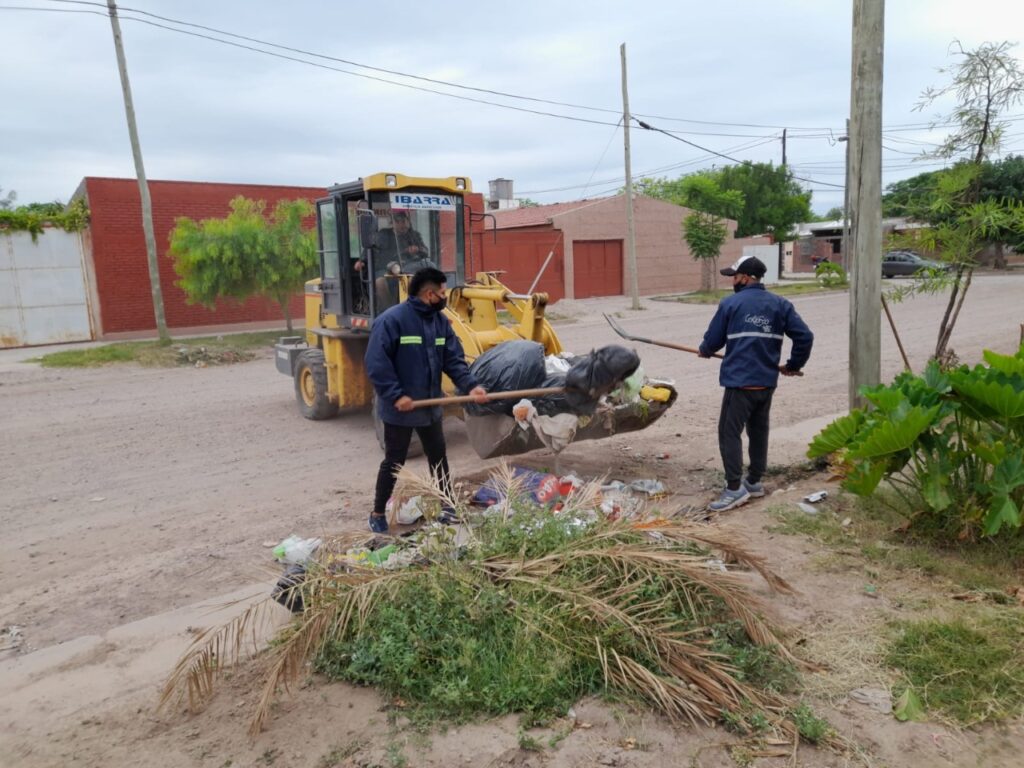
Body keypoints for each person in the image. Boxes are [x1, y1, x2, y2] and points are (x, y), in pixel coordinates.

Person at [364, 267, 488, 533]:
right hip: (400, 408)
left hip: (430, 405)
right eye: (442, 292)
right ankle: (376, 512)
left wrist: (470, 386)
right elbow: (376, 363)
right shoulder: (392, 321)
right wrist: (397, 396)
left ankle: (446, 504)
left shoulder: (440, 322)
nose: (445, 296)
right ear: (430, 294)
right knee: (394, 462)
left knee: (438, 456)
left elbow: (453, 360)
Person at [698, 255, 814, 512]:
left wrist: (705, 349)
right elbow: (805, 336)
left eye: (734, 276)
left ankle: (733, 489)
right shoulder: (780, 304)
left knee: (729, 433)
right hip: (766, 384)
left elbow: (713, 340)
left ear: (746, 277)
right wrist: (794, 365)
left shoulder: (731, 304)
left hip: (740, 384)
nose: (732, 281)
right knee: (758, 430)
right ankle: (754, 482)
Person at [356, 211, 435, 311]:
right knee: (380, 282)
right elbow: (370, 249)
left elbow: (425, 251)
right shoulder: (383, 235)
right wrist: (362, 260)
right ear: (392, 223)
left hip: (409, 267)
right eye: (399, 222)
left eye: (405, 221)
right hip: (384, 269)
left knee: (430, 266)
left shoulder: (414, 235)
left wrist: (418, 249)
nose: (403, 224)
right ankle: (390, 311)